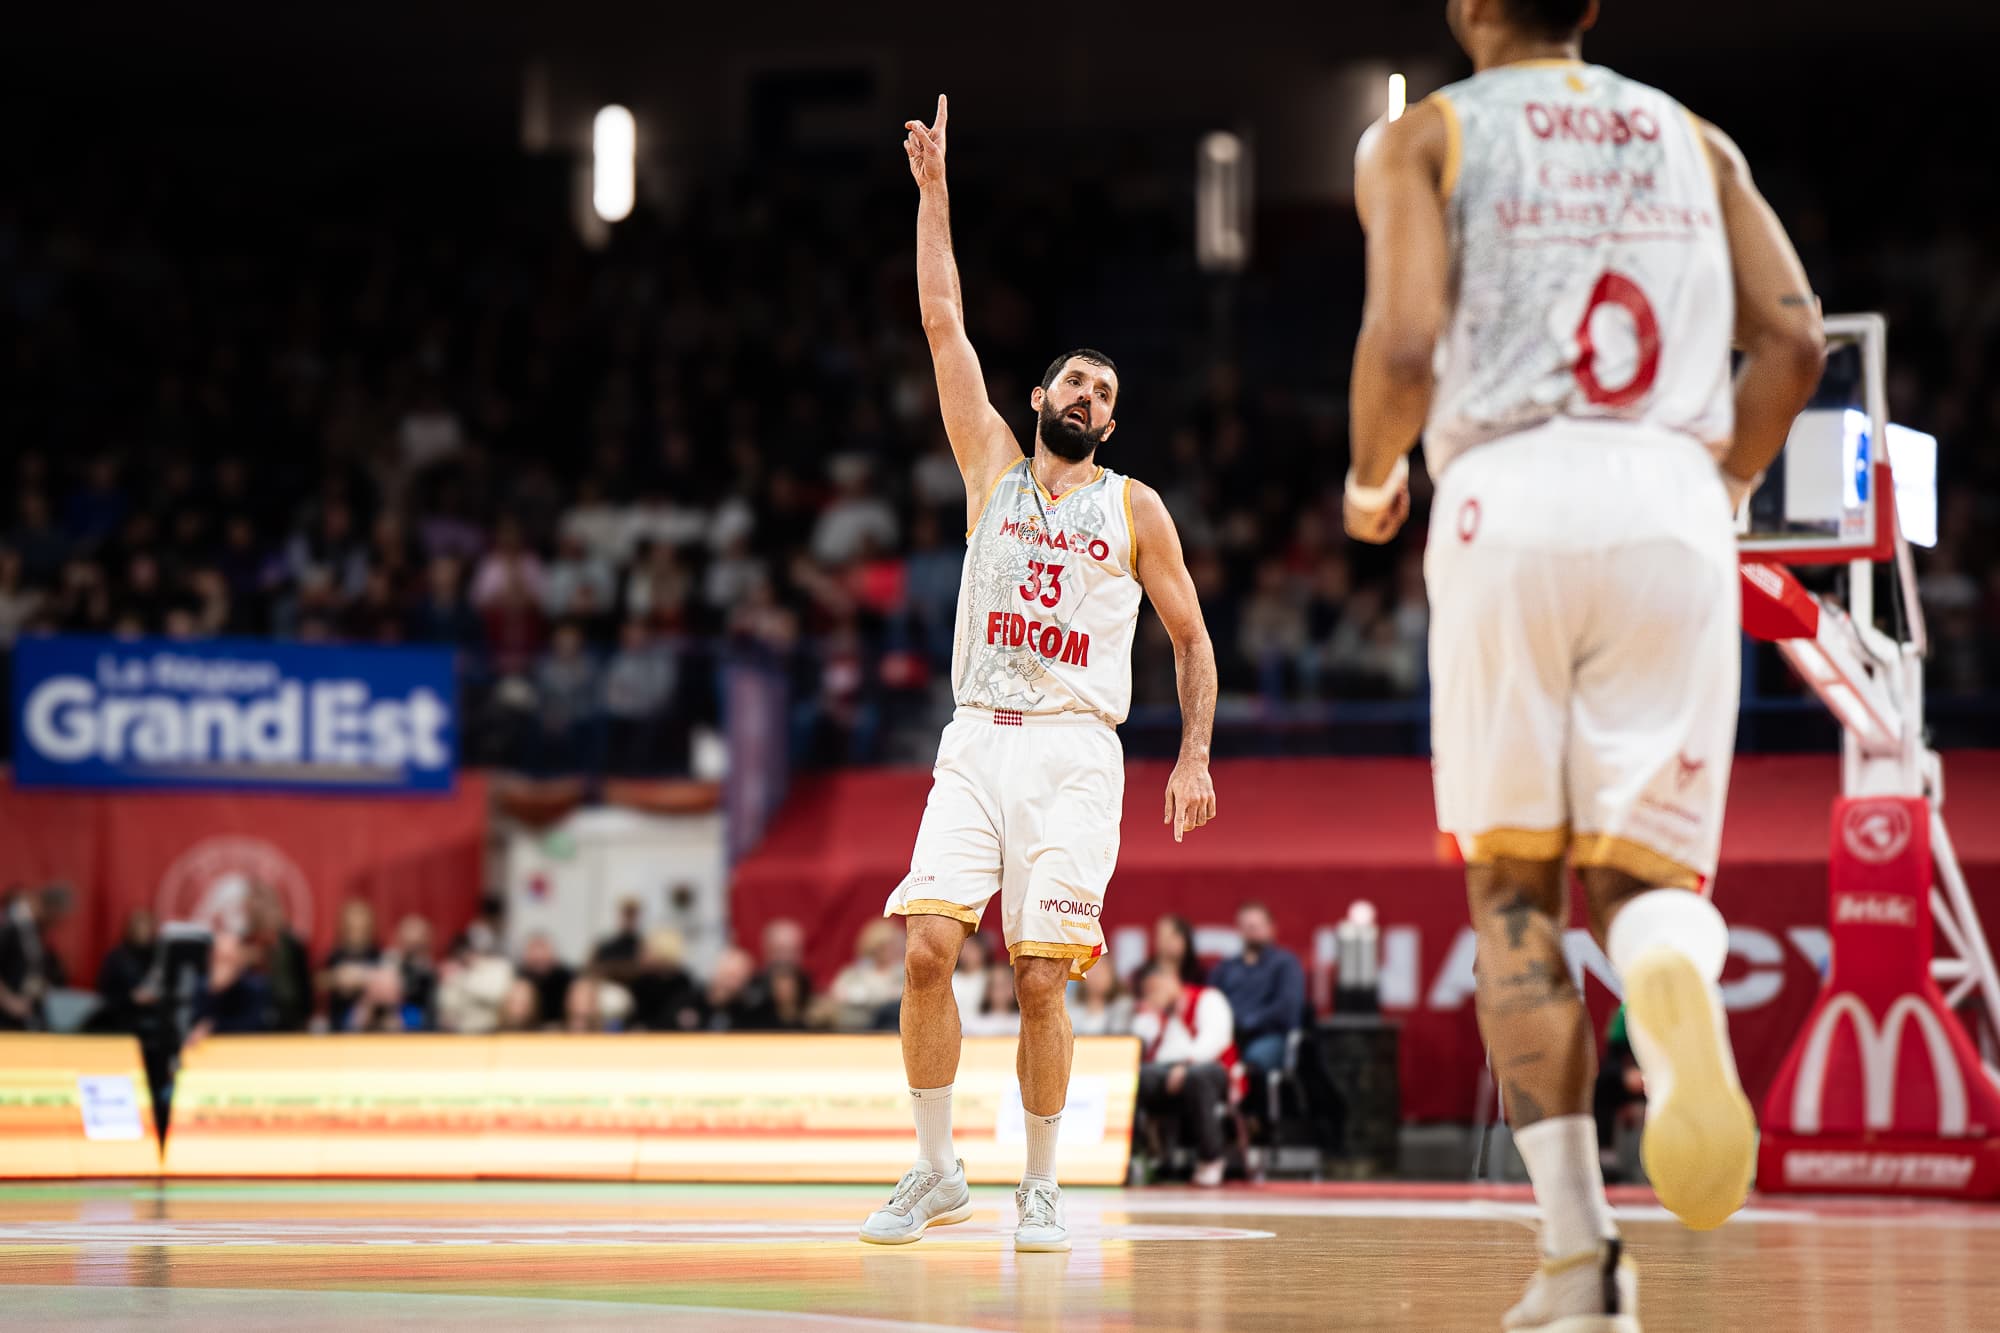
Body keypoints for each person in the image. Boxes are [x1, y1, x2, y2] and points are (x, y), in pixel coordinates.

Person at [1344, 1, 1825, 1324]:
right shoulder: (1696, 137)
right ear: (1593, 6)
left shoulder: (1423, 138)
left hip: (1508, 494)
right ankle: (1670, 975)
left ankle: (1580, 1258)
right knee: (1643, 880)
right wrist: (1714, 486)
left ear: (1466, 7)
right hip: (1671, 498)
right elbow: (1797, 343)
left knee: (1516, 897)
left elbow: (1400, 346)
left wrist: (1369, 477)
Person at [864, 96, 1219, 1254]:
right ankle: (934, 1170)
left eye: (1105, 395)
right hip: (976, 733)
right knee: (925, 947)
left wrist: (1194, 754)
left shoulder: (1136, 508)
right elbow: (939, 318)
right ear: (1037, 399)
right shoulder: (991, 471)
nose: (1088, 399)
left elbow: (1192, 639)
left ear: (1113, 425)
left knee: (1038, 974)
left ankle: (1043, 1184)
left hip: (1074, 745)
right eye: (1073, 383)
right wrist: (934, 195)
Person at [1131, 959, 1239, 1188]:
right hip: (1166, 1069)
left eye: (1155, 989)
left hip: (1210, 1067)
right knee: (1133, 1078)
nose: (1153, 996)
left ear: (1171, 978)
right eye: (1148, 993)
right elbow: (1143, 1045)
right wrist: (1149, 1014)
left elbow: (1215, 1040)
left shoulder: (1208, 998)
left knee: (1196, 1077)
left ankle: (1211, 1158)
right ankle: (1139, 1156)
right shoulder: (1159, 1015)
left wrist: (1187, 1064)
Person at [1208, 902, 1307, 1075]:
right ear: (1238, 929)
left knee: (1253, 1063)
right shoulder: (1225, 968)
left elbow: (1287, 1007)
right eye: (1247, 926)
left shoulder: (1285, 964)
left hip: (1270, 1036)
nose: (1252, 930)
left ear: (1271, 928)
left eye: (1257, 925)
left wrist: (1248, 1022)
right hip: (1228, 1037)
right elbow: (1210, 1002)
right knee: (1203, 1064)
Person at [0, 885, 72, 1031]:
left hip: (28, 1009)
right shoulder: (10, 926)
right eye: (56, 916)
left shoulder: (35, 930)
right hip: (8, 1013)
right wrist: (9, 1001)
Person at [1067, 961, 1134, 1038]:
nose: (1097, 978)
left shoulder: (1123, 1006)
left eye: (1101, 972)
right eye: (1093, 972)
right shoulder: (1069, 1006)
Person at [1150, 915, 1205, 986]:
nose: (1173, 942)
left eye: (1178, 935)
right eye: (1167, 936)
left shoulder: (1200, 976)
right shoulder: (1143, 978)